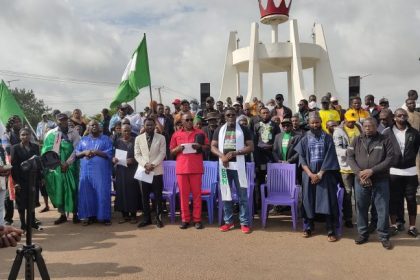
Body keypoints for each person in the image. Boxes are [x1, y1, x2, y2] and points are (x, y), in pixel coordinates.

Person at [347, 117, 394, 249]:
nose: (368, 128)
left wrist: (372, 171)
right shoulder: (356, 140)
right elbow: (350, 157)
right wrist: (359, 173)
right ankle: (363, 234)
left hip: (380, 179)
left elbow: (390, 158)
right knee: (361, 207)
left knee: (382, 208)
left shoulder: (385, 139)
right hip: (361, 179)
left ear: (376, 126)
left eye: (371, 126)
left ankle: (384, 236)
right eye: (365, 126)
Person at [295, 113, 340, 242]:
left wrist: (320, 173)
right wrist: (310, 174)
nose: (315, 125)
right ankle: (308, 226)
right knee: (308, 199)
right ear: (309, 124)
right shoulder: (304, 138)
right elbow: (302, 158)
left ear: (321, 122)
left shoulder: (327, 138)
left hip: (325, 175)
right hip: (308, 175)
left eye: (317, 122)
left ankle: (330, 229)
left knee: (327, 200)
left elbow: (330, 157)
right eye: (312, 123)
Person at [211, 108, 254, 234]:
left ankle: (244, 222)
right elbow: (213, 146)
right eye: (228, 115)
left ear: (236, 116)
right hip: (224, 165)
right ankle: (228, 221)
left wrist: (236, 152)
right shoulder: (219, 130)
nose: (231, 117)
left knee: (242, 195)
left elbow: (251, 147)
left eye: (233, 115)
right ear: (224, 117)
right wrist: (221, 156)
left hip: (239, 166)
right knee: (225, 193)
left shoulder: (244, 129)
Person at [383, 109, 420, 237]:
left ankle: (412, 227)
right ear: (394, 117)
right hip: (393, 171)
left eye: (404, 115)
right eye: (399, 115)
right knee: (394, 199)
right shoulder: (387, 132)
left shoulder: (414, 133)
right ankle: (393, 225)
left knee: (411, 200)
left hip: (410, 172)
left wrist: (407, 160)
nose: (402, 117)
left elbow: (415, 149)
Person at [169, 112, 209, 230]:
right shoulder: (176, 134)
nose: (190, 122)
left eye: (191, 119)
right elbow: (171, 151)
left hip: (196, 168)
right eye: (187, 120)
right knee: (183, 196)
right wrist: (178, 148)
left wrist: (200, 147)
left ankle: (197, 219)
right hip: (182, 169)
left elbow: (207, 147)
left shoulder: (200, 133)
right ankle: (185, 219)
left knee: (197, 195)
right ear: (181, 122)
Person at [41, 113, 80, 225]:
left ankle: (75, 214)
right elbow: (49, 151)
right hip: (58, 167)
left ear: (67, 120)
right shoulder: (52, 133)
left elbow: (77, 148)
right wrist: (59, 163)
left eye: (64, 120)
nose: (62, 122)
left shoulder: (74, 132)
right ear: (57, 121)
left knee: (72, 189)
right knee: (60, 189)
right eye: (60, 120)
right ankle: (62, 214)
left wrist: (67, 163)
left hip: (71, 166)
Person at [76, 120, 113, 226]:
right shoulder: (83, 140)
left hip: (101, 173)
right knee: (87, 193)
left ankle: (104, 217)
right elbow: (77, 153)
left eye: (96, 124)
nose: (94, 126)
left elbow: (110, 153)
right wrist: (84, 152)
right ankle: (89, 216)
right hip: (86, 173)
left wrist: (96, 152)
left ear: (99, 127)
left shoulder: (106, 139)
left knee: (102, 192)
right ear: (88, 127)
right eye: (91, 125)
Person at [134, 118, 167, 228]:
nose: (149, 127)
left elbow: (162, 153)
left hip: (156, 171)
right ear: (143, 126)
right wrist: (145, 165)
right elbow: (137, 154)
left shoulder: (161, 138)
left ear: (155, 126)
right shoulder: (138, 138)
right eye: (147, 125)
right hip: (143, 171)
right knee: (144, 196)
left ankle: (158, 218)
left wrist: (152, 165)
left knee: (158, 196)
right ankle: (146, 218)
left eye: (151, 125)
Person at [333, 113, 362, 228]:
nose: (352, 123)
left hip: (359, 167)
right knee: (348, 194)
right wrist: (350, 153)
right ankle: (348, 218)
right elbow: (338, 150)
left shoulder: (358, 127)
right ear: (344, 120)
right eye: (350, 121)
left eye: (353, 121)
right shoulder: (338, 131)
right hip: (346, 168)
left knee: (360, 194)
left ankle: (361, 217)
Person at [10, 128, 43, 231]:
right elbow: (14, 166)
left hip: (33, 179)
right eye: (23, 135)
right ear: (19, 136)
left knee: (32, 202)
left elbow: (39, 163)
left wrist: (41, 178)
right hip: (21, 180)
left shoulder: (35, 147)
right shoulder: (15, 148)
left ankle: (32, 223)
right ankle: (23, 225)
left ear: (30, 136)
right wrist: (16, 182)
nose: (25, 137)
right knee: (21, 203)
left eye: (27, 134)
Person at [113, 124, 142, 224]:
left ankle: (133, 215)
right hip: (121, 170)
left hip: (132, 170)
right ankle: (125, 215)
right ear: (121, 131)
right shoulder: (117, 141)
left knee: (132, 192)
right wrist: (114, 159)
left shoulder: (135, 140)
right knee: (121, 191)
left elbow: (140, 155)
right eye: (124, 131)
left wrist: (133, 160)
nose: (126, 133)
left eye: (128, 131)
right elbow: (114, 154)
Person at [254, 107, 281, 210]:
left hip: (272, 155)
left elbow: (278, 139)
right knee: (260, 179)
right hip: (260, 156)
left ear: (269, 114)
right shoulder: (256, 126)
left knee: (273, 179)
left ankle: (275, 204)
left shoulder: (275, 125)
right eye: (263, 113)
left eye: (267, 113)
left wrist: (273, 147)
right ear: (260, 115)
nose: (265, 114)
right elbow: (254, 141)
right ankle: (260, 203)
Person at [1, 115, 23, 225]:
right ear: (11, 123)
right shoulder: (7, 135)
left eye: (19, 121)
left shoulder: (25, 132)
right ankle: (8, 218)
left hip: (23, 165)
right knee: (9, 193)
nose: (18, 123)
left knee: (24, 192)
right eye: (15, 121)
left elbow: (32, 145)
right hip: (10, 165)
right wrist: (22, 147)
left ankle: (27, 218)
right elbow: (8, 149)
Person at [0, 145, 10, 226]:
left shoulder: (2, 149)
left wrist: (7, 170)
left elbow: (7, 165)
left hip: (2, 181)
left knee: (1, 206)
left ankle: (1, 226)